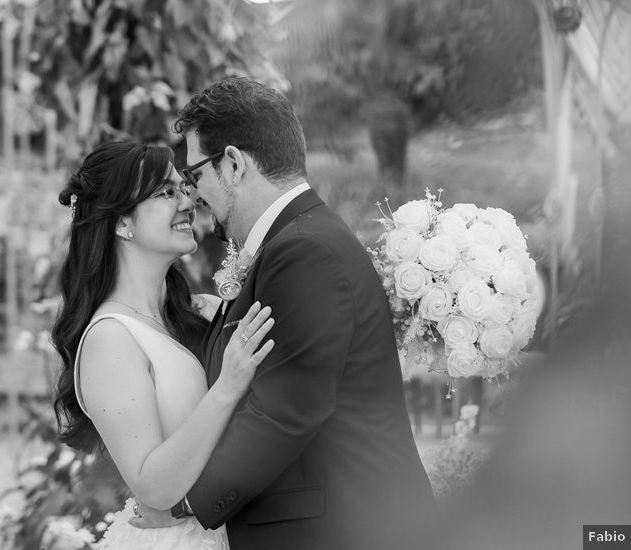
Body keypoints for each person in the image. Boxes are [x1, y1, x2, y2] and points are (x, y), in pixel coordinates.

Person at [132, 77, 435, 550]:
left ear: (233, 163)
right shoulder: (292, 243)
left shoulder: (304, 252)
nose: (192, 196)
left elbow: (283, 412)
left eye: (195, 176)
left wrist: (183, 503)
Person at [51, 141, 276, 550]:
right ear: (122, 223)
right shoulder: (109, 338)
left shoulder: (193, 314)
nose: (187, 202)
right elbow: (153, 487)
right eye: (165, 193)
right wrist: (228, 385)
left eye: (183, 188)